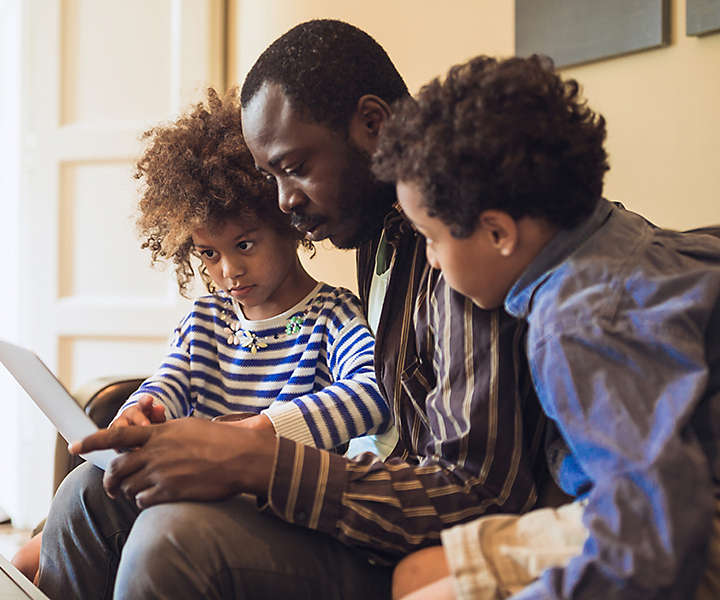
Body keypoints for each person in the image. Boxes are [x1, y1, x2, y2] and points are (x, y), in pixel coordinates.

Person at [38, 21, 545, 599]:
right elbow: (176, 377)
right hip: (367, 503)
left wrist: (258, 453)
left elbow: (473, 486)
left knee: (169, 535)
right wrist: (149, 412)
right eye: (272, 177)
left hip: (405, 537)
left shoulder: (456, 251)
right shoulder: (377, 237)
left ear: (372, 125)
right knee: (88, 496)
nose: (286, 201)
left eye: (295, 166)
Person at [371, 53, 720, 599]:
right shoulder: (615, 235)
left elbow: (654, 541)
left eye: (432, 238)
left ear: (497, 233)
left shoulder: (578, 325)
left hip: (682, 524)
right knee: (416, 574)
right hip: (652, 502)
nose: (431, 261)